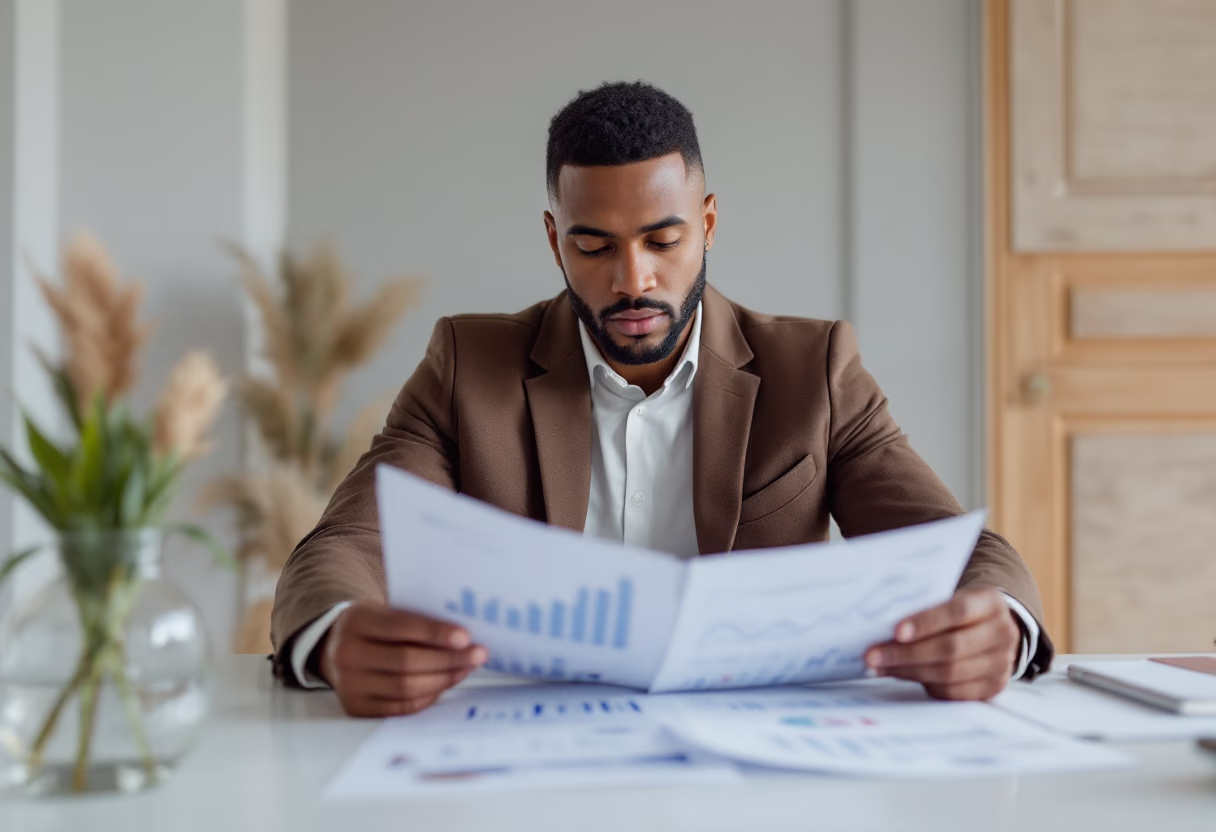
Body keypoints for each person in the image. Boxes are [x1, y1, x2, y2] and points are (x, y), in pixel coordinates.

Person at [270, 81, 1053, 718]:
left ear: (708, 225)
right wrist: (336, 637)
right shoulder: (467, 367)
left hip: (759, 759)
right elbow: (340, 548)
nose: (633, 279)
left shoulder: (814, 369)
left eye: (663, 240)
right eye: (594, 246)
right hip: (528, 750)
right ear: (554, 242)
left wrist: (998, 626)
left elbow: (967, 553)